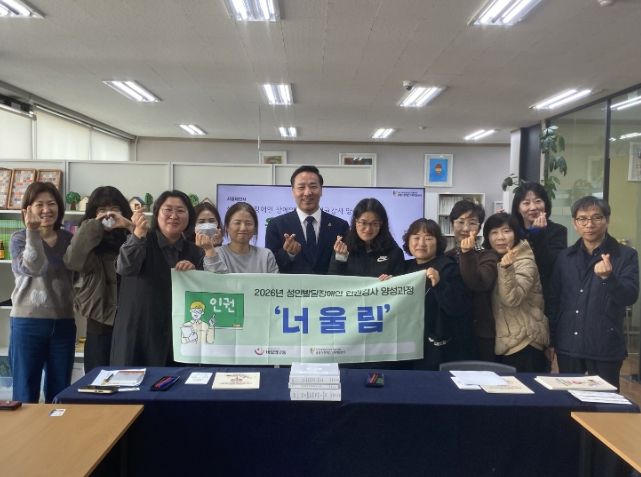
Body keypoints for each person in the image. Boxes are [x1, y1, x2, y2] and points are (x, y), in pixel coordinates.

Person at [549, 196, 639, 389]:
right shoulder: (565, 257)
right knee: (568, 399)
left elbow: (630, 296)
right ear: (575, 224)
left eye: (596, 217)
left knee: (605, 403)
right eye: (582, 219)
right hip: (569, 345)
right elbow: (554, 300)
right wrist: (551, 341)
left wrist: (609, 278)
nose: (589, 224)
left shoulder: (625, 255)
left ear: (607, 220)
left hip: (604, 346)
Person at [110, 190, 204, 367]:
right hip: (138, 333)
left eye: (180, 211)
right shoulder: (140, 240)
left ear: (189, 217)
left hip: (178, 338)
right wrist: (137, 234)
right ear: (156, 213)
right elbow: (125, 268)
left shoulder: (195, 252)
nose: (174, 216)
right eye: (168, 210)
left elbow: (202, 295)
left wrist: (194, 274)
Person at [8, 182, 75, 403]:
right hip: (27, 323)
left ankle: (57, 427)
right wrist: (33, 233)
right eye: (39, 204)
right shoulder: (19, 238)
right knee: (25, 392)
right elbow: (33, 268)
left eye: (51, 204)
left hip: (63, 323)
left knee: (60, 392)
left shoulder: (68, 239)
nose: (46, 210)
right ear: (27, 209)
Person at [63, 186, 133, 373]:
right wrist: (94, 226)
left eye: (115, 209)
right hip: (98, 321)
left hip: (131, 322)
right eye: (101, 210)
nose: (109, 214)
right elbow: (72, 261)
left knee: (130, 379)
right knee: (97, 381)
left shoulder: (132, 235)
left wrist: (129, 226)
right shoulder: (87, 238)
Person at [402, 218, 474, 370]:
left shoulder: (448, 267)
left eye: (428, 238)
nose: (421, 243)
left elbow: (458, 307)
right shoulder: (404, 268)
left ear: (438, 243)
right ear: (408, 241)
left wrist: (440, 284)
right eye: (416, 237)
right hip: (409, 344)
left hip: (437, 350)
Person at [484, 213, 549, 372]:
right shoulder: (492, 259)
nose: (500, 237)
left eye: (506, 231)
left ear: (516, 234)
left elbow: (512, 299)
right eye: (494, 232)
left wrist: (507, 269)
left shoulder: (525, 262)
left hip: (524, 342)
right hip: (506, 340)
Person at [265, 165, 348, 274]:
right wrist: (288, 254)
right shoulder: (276, 225)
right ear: (293, 191)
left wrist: (341, 256)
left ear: (321, 190)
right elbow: (270, 268)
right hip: (292, 285)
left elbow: (348, 267)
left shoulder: (340, 226)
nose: (307, 192)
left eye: (313, 186)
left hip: (329, 285)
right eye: (301, 187)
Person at [445, 200, 497, 361]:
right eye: (460, 222)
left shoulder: (488, 255)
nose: (466, 228)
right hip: (450, 331)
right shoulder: (446, 256)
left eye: (472, 223)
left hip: (479, 333)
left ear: (479, 228)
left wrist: (467, 253)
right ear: (452, 225)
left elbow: (478, 283)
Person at [511, 181, 567, 318]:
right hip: (516, 294)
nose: (533, 207)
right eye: (526, 203)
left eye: (538, 201)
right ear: (518, 208)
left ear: (545, 204)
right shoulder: (512, 232)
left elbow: (549, 265)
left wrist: (539, 235)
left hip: (546, 297)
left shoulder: (558, 231)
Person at [328, 198, 404, 277]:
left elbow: (401, 281)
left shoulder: (394, 251)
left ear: (381, 224)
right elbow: (333, 280)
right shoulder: (344, 247)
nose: (368, 229)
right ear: (355, 222)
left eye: (374, 223)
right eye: (363, 223)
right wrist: (340, 259)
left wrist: (391, 280)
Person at [201, 202, 278, 273]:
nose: (243, 228)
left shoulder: (266, 256)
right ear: (227, 227)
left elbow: (275, 282)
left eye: (248, 223)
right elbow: (214, 280)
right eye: (237, 223)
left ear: (255, 228)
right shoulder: (215, 253)